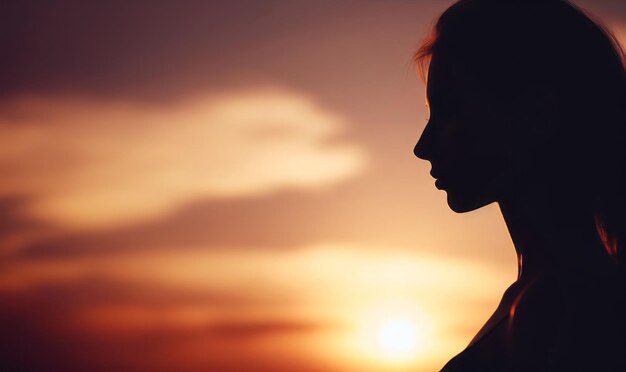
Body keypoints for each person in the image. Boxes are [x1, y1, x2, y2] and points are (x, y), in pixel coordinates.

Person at [412, 0, 626, 370]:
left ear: (537, 115)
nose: (423, 147)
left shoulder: (564, 306)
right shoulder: (542, 295)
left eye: (451, 110)